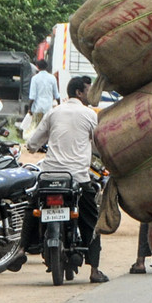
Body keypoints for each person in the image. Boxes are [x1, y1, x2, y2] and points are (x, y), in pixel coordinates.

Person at [25, 76, 108, 284]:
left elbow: (33, 142)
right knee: (91, 219)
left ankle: (19, 249)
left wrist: (32, 148)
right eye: (88, 90)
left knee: (31, 207)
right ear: (79, 93)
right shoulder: (89, 114)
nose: (91, 94)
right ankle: (95, 270)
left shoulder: (54, 112)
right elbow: (99, 145)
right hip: (77, 179)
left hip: (49, 176)